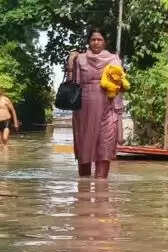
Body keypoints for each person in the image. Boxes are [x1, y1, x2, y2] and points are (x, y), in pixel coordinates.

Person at [69, 28, 125, 179]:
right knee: (84, 144)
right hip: (84, 109)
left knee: (105, 144)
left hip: (108, 108)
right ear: (88, 41)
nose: (96, 42)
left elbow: (120, 86)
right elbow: (73, 83)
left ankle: (102, 189)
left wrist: (118, 110)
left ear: (105, 42)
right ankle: (84, 188)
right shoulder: (79, 59)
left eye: (99, 39)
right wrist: (70, 61)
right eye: (93, 39)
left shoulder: (114, 59)